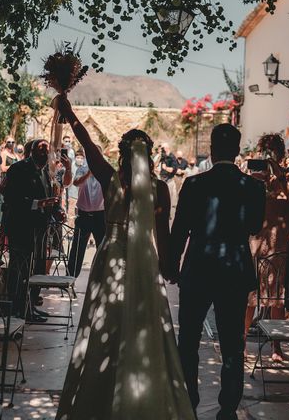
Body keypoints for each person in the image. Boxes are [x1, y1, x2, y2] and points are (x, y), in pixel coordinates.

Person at [55, 94, 195, 420]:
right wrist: (170, 267)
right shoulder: (159, 190)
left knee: (106, 325)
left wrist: (70, 112)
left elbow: (87, 144)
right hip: (143, 261)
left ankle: (101, 396)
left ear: (122, 155)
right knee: (142, 326)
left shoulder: (109, 179)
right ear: (148, 156)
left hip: (111, 259)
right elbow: (163, 235)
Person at [168, 123, 266, 420]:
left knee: (188, 339)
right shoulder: (254, 187)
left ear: (211, 149)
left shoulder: (194, 184)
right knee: (233, 341)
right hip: (233, 271)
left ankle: (190, 398)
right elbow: (254, 227)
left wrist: (172, 264)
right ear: (237, 151)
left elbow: (179, 230)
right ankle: (227, 408)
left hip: (198, 269)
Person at [244, 133, 289, 363]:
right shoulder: (256, 177)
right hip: (258, 238)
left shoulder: (288, 174)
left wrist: (278, 174)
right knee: (250, 294)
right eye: (265, 151)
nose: (268, 155)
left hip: (280, 240)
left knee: (277, 294)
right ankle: (242, 343)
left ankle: (276, 347)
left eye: (272, 151)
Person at [2, 139, 60, 321]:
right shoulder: (19, 169)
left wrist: (55, 212)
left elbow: (47, 196)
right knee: (20, 270)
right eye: (41, 150)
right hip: (21, 227)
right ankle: (17, 309)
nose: (45, 154)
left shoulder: (46, 171)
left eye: (47, 151)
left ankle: (29, 306)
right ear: (32, 151)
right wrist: (37, 203)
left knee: (35, 269)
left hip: (39, 229)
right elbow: (10, 197)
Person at [66, 150, 105, 278]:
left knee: (103, 248)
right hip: (84, 214)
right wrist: (89, 173)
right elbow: (76, 183)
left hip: (100, 214)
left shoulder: (105, 169)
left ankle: (103, 277)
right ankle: (70, 277)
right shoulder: (83, 169)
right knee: (77, 248)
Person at [0, 136, 19, 224]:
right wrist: (14, 166)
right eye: (9, 142)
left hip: (16, 180)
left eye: (13, 142)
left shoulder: (15, 154)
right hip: (7, 179)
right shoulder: (3, 153)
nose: (11, 144)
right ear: (5, 143)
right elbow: (2, 168)